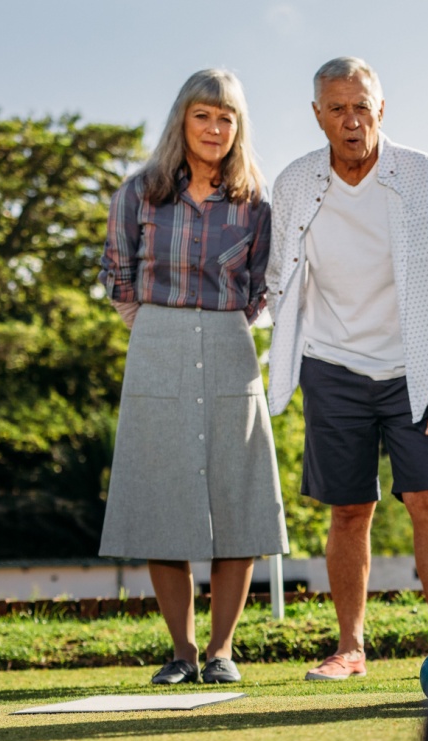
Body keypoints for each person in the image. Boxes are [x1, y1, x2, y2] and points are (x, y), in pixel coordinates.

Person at [265, 57, 428, 681]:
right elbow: (279, 276)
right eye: (337, 109)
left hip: (415, 370)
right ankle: (350, 648)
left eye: (362, 107)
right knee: (348, 509)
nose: (351, 121)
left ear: (381, 109)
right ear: (317, 116)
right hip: (330, 366)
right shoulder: (295, 182)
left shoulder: (422, 175)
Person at [99, 68, 285, 686]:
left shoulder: (256, 203)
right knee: (162, 497)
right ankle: (180, 650)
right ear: (183, 119)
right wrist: (158, 329)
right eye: (204, 115)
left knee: (239, 494)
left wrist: (220, 326)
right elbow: (117, 273)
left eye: (227, 117)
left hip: (232, 343)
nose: (215, 128)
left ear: (239, 128)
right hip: (156, 340)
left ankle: (221, 651)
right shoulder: (139, 192)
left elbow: (263, 287)